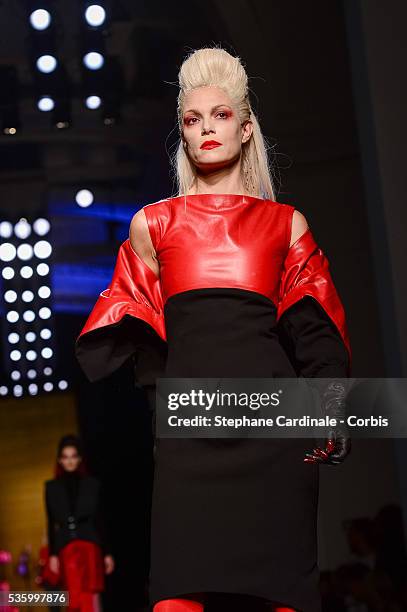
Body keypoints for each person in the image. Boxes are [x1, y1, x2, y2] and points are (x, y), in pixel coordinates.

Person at [75, 46, 352, 612]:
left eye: (221, 115)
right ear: (182, 131)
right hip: (190, 442)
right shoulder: (154, 224)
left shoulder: (284, 224)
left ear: (246, 128)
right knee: (176, 597)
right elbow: (144, 335)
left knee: (282, 599)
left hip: (274, 435)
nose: (207, 129)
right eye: (193, 119)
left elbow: (317, 334)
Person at [44, 435, 115, 612]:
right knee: (73, 595)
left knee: (91, 594)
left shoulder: (92, 484)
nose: (69, 461)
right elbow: (51, 521)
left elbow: (99, 520)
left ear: (79, 458)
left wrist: (106, 553)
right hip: (66, 546)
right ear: (60, 459)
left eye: (73, 456)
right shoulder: (51, 487)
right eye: (65, 456)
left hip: (90, 544)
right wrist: (52, 554)